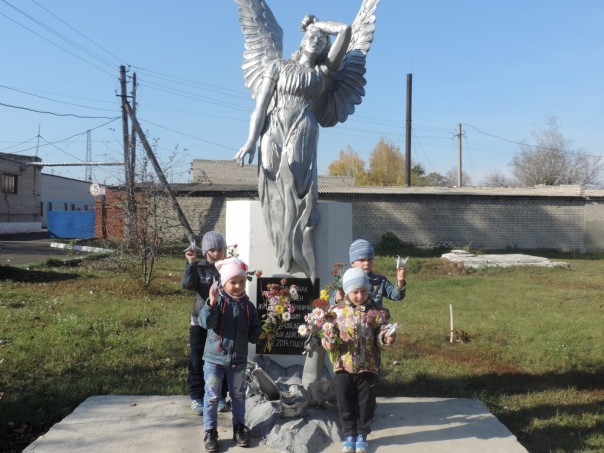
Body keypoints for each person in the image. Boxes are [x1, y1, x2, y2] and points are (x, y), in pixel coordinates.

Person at [234, 0, 379, 283]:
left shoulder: (324, 73)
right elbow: (261, 106)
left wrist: (316, 25)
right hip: (272, 128)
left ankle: (297, 250)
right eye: (312, 37)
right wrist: (251, 140)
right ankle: (280, 248)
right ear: (302, 40)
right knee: (271, 185)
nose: (316, 40)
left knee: (295, 185)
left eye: (321, 40)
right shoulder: (277, 65)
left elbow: (346, 30)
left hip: (303, 128)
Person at [322, 267, 395, 453]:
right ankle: (349, 433)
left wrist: (386, 337)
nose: (360, 296)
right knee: (345, 402)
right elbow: (328, 332)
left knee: (366, 403)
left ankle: (362, 433)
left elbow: (381, 332)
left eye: (364, 291)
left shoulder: (376, 313)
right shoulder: (335, 312)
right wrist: (327, 342)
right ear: (347, 291)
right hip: (343, 366)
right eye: (355, 292)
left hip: (368, 366)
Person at [199, 257, 263, 452]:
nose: (238, 286)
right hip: (214, 359)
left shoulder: (248, 307)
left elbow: (254, 334)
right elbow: (205, 323)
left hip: (238, 360)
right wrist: (211, 302)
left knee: (238, 395)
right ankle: (210, 431)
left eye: (241, 281)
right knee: (212, 397)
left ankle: (239, 428)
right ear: (224, 283)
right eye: (233, 282)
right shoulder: (218, 302)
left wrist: (264, 334)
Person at [180, 231, 229, 415]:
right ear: (206, 251)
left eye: (220, 249)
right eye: (213, 250)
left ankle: (220, 395)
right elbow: (187, 285)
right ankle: (196, 396)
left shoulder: (227, 268)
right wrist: (191, 263)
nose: (217, 254)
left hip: (222, 322)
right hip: (199, 322)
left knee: (221, 359)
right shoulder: (199, 268)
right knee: (197, 359)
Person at [347, 239, 407, 308]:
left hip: (375, 314)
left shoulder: (380, 280)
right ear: (352, 263)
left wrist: (400, 281)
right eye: (362, 260)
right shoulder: (346, 280)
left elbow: (397, 296)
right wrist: (337, 298)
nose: (366, 263)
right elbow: (337, 301)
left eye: (369, 259)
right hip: (350, 314)